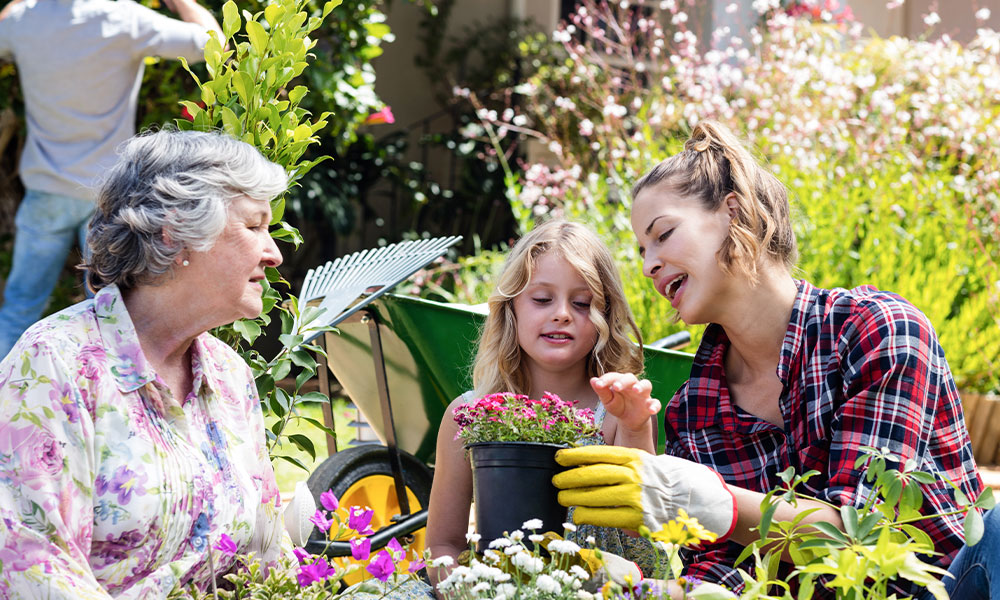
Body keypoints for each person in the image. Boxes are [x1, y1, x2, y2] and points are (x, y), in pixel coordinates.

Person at [552, 120, 993, 599]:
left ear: (733, 212)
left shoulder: (875, 330)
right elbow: (730, 577)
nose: (648, 265)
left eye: (663, 235)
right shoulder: (694, 409)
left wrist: (718, 504)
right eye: (642, 249)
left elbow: (866, 539)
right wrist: (648, 591)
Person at [0, 129, 290, 597]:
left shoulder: (229, 376)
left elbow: (266, 555)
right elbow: (33, 567)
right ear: (176, 232)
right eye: (255, 226)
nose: (274, 253)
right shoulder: (56, 365)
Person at [424, 219, 663, 594]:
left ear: (606, 316)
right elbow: (442, 545)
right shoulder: (469, 417)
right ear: (511, 308)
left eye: (582, 303)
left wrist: (636, 427)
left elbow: (644, 537)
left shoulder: (616, 414)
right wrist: (462, 589)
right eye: (541, 299)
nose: (562, 313)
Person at [0, 0, 222, 359]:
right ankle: (114, 408)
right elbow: (212, 42)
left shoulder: (28, 20)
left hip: (46, 191)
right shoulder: (124, 19)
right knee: (111, 315)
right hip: (107, 195)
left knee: (18, 309)